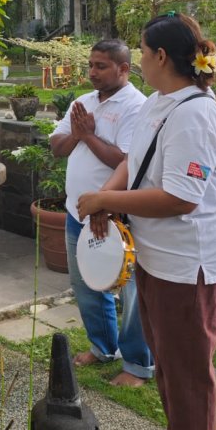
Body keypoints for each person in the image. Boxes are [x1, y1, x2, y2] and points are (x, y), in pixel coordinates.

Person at [78, 13, 216, 430]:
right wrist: (107, 193)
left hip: (194, 261)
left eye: (143, 52)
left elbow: (181, 197)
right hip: (159, 256)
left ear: (161, 57)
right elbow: (133, 159)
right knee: (168, 362)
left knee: (189, 366)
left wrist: (108, 202)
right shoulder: (159, 103)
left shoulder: (196, 113)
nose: (140, 58)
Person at [50, 40, 154, 387]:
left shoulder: (136, 106)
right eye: (91, 65)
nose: (92, 72)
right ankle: (103, 346)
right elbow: (57, 147)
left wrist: (87, 136)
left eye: (101, 66)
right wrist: (78, 135)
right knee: (86, 284)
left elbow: (127, 161)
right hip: (77, 212)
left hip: (117, 215)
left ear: (124, 69)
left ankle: (138, 363)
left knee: (131, 290)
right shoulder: (83, 102)